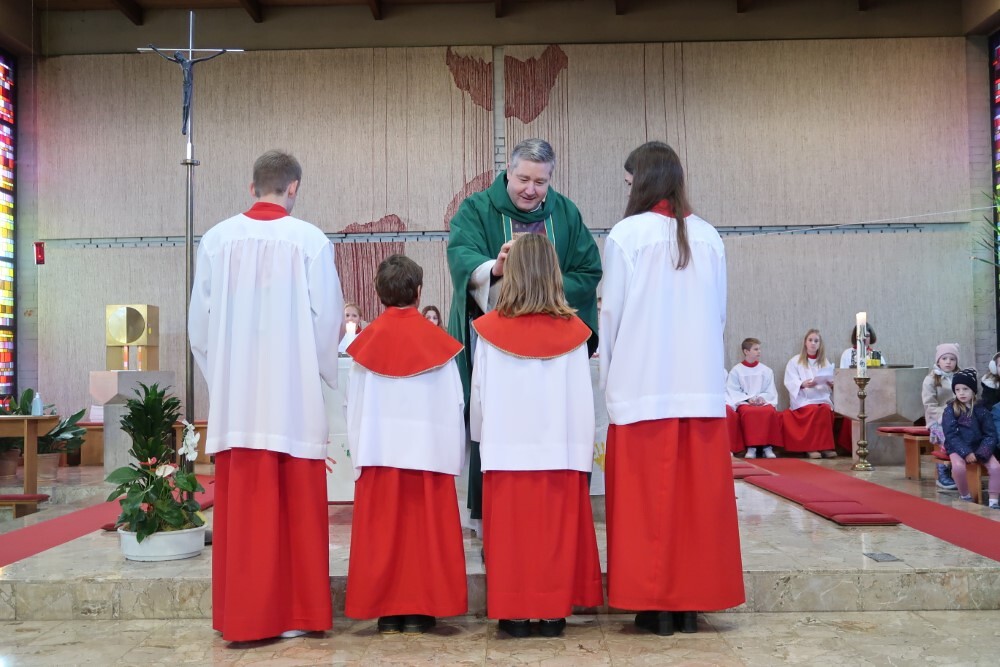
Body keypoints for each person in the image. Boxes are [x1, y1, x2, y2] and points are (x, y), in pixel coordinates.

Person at [188, 150, 344, 642]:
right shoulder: (311, 241)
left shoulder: (216, 240)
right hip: (292, 400)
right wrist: (317, 374)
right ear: (293, 187)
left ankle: (246, 618)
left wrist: (226, 381)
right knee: (297, 510)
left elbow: (199, 328)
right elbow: (327, 322)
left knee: (246, 517)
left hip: (238, 404)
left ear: (252, 187)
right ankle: (298, 615)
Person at [599, 141, 744, 637]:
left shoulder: (626, 235)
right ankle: (690, 605)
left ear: (641, 181)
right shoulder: (709, 236)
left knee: (647, 510)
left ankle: (653, 606)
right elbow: (719, 315)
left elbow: (611, 316)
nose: (626, 189)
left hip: (642, 387)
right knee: (696, 510)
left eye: (628, 181)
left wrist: (611, 383)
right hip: (698, 388)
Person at [447, 138, 602, 526]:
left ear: (550, 179)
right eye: (523, 179)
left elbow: (588, 271)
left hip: (554, 349)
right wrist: (495, 269)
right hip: (498, 346)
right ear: (509, 172)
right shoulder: (477, 209)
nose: (531, 190)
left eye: (540, 182)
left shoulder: (565, 213)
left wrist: (543, 288)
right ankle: (493, 517)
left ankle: (558, 515)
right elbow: (462, 257)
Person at [470, 234, 603, 639]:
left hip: (506, 451)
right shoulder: (575, 333)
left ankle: (513, 614)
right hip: (560, 452)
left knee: (512, 538)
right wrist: (580, 454)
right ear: (553, 273)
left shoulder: (489, 331)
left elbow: (480, 396)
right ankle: (551, 613)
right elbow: (583, 402)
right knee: (553, 537)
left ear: (511, 273)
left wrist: (483, 440)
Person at [345, 255, 467, 634]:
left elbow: (353, 407)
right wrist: (453, 458)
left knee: (384, 537)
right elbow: (455, 405)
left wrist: (359, 457)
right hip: (429, 456)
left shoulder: (365, 347)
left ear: (379, 294)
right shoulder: (440, 346)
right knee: (424, 538)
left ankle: (387, 612)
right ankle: (422, 610)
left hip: (378, 455)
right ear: (418, 291)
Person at [942, 368, 1000, 508]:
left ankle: (993, 501)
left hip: (980, 446)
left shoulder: (982, 410)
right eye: (958, 390)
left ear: (973, 390)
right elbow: (951, 434)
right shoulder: (950, 410)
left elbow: (990, 434)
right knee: (958, 467)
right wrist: (966, 452)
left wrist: (983, 452)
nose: (961, 393)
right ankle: (965, 495)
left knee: (996, 467)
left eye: (965, 389)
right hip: (957, 447)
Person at [782, 329, 837, 459]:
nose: (813, 343)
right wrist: (802, 384)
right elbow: (790, 380)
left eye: (816, 341)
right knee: (812, 410)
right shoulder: (795, 361)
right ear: (805, 342)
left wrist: (830, 383)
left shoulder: (824, 361)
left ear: (820, 344)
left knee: (825, 410)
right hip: (804, 399)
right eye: (810, 340)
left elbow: (831, 378)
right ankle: (811, 448)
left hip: (821, 397)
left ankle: (825, 447)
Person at [727, 337, 781, 459]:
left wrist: (761, 398)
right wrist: (748, 399)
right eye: (756, 349)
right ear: (746, 351)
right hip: (745, 403)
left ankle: (767, 447)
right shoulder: (736, 371)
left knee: (769, 411)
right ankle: (751, 447)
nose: (759, 351)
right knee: (748, 412)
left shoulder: (766, 370)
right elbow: (733, 390)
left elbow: (770, 390)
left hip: (763, 402)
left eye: (759, 349)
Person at [923, 343, 960, 490]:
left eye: (952, 359)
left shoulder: (960, 376)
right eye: (944, 358)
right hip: (937, 420)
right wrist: (946, 415)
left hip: (960, 417)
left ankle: (965, 470)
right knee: (947, 436)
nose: (948, 362)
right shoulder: (931, 379)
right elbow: (929, 405)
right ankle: (943, 472)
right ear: (938, 360)